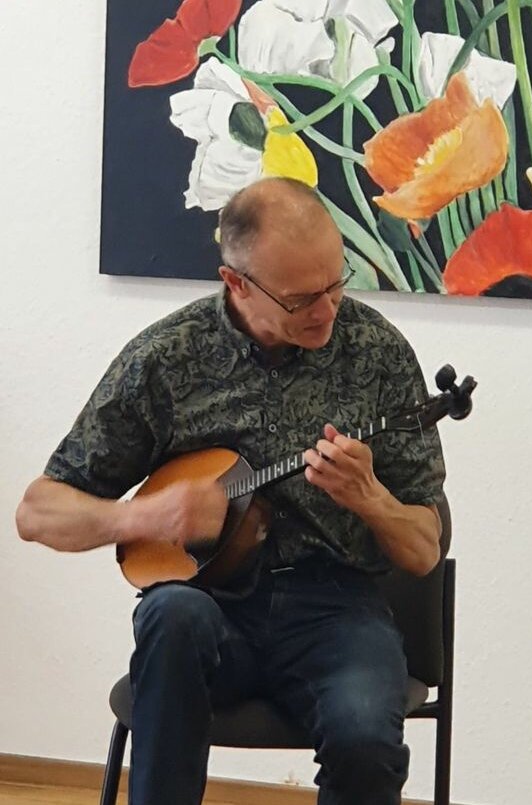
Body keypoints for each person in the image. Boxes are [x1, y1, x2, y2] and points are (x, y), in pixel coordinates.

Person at [16, 177, 446, 805]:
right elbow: (36, 511)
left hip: (337, 608)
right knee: (170, 614)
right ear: (236, 282)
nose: (328, 310)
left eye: (336, 282)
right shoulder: (166, 359)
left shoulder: (376, 352)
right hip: (209, 604)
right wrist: (144, 518)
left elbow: (424, 551)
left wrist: (371, 498)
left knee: (366, 741)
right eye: (302, 299)